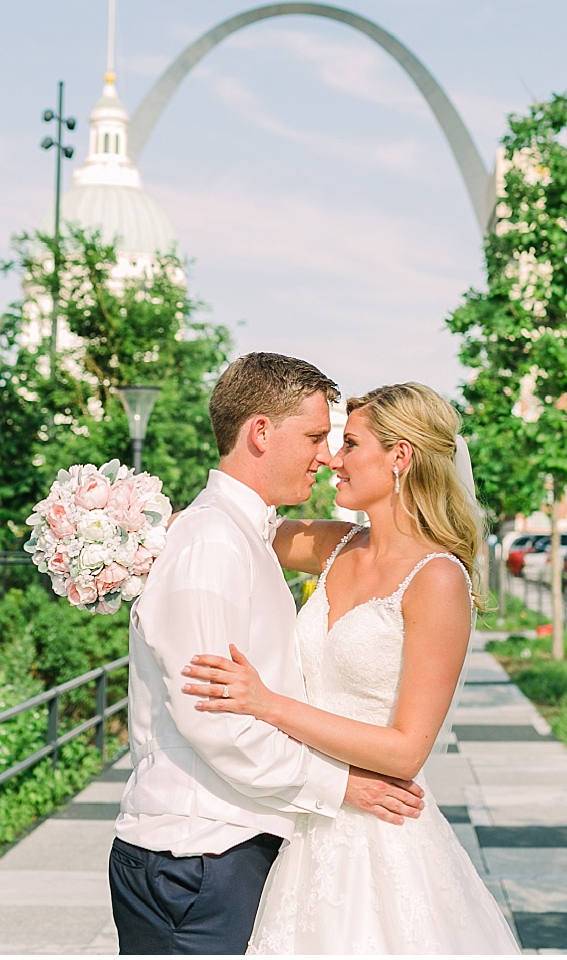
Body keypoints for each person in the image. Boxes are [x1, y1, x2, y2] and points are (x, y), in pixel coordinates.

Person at [109, 354, 429, 954]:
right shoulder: (211, 546)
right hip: (198, 859)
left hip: (231, 848)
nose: (325, 455)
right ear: (260, 432)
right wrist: (340, 785)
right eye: (313, 436)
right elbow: (217, 724)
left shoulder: (241, 534)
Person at [185, 381, 520, 954]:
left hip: (379, 839)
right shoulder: (335, 545)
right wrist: (111, 528)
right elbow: (223, 526)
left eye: (351, 444)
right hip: (305, 818)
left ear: (400, 456)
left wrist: (268, 704)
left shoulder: (437, 579)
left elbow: (406, 750)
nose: (333, 460)